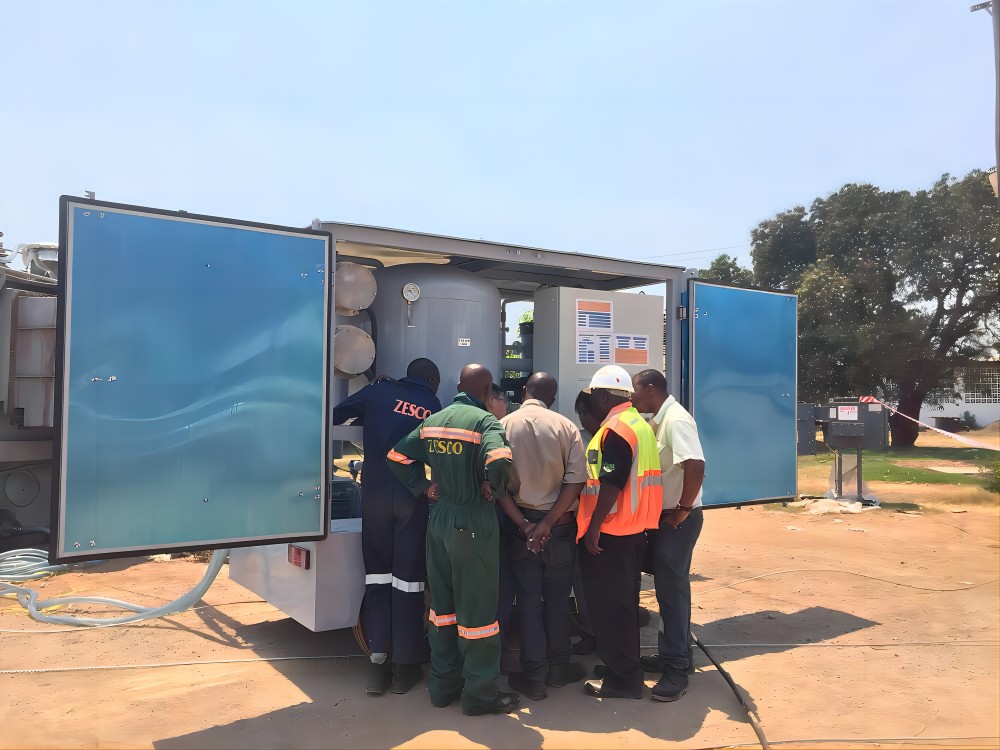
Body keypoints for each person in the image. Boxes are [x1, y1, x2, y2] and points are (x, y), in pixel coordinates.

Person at [387, 364, 520, 716]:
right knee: (477, 614)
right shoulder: (485, 422)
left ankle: (443, 687)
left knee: (442, 609)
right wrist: (495, 485)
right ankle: (479, 694)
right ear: (488, 389)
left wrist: (422, 486)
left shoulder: (435, 420)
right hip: (473, 519)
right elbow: (500, 458)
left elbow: (397, 456)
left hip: (440, 519)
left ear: (459, 386)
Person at [331, 358, 442, 696]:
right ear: (432, 380)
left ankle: (377, 664)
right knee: (408, 583)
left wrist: (371, 415)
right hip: (413, 497)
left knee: (377, 578)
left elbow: (338, 415)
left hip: (375, 495)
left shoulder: (379, 392)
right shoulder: (432, 404)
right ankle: (403, 669)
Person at [496, 373, 589, 700]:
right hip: (559, 527)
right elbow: (577, 481)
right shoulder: (567, 428)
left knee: (529, 601)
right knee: (558, 598)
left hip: (519, 527)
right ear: (553, 396)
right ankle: (559, 668)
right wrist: (548, 523)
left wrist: (525, 525)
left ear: (524, 392)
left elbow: (496, 486)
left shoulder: (503, 426)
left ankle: (534, 675)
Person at [576, 365, 662, 699]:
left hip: (611, 533)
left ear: (603, 395)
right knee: (623, 607)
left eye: (593, 395)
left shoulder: (616, 428)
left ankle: (622, 681)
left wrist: (595, 527)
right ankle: (622, 668)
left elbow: (612, 481)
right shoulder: (639, 424)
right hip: (632, 531)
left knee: (610, 609)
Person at [631, 369, 706, 702]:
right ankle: (675, 656)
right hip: (666, 519)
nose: (631, 397)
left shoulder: (676, 420)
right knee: (667, 591)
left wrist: (683, 509)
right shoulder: (659, 421)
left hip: (678, 520)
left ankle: (675, 670)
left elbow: (695, 464)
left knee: (671, 594)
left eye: (635, 390)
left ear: (650, 390)